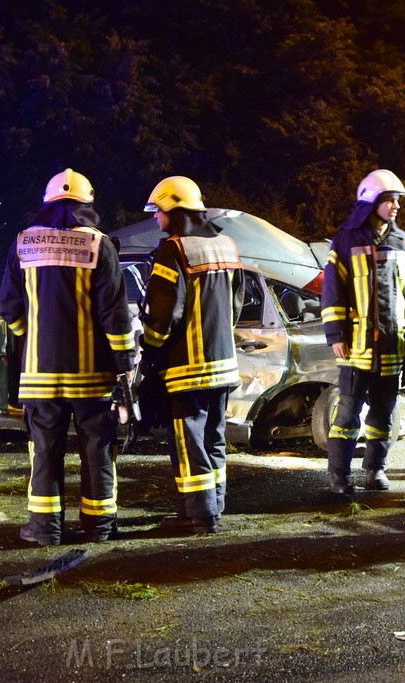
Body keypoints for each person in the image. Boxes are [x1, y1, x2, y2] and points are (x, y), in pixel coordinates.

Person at [0, 169, 135, 546]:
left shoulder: (23, 244)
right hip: (92, 377)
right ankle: (100, 527)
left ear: (48, 204)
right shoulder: (99, 245)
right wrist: (123, 366)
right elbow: (115, 315)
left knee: (44, 451)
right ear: (86, 205)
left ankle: (45, 529)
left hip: (39, 376)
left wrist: (32, 343)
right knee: (97, 450)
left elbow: (10, 310)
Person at [139, 176, 243, 534]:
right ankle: (216, 503)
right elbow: (238, 303)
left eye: (159, 211)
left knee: (189, 442)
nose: (156, 218)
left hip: (188, 369)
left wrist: (149, 351)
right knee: (213, 437)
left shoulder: (175, 249)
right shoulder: (228, 245)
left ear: (174, 208)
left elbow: (165, 315)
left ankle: (198, 515)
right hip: (225, 365)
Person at [322, 169, 405, 493]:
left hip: (393, 347)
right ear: (371, 202)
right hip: (355, 347)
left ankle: (376, 470)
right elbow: (332, 291)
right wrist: (335, 335)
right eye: (389, 199)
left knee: (384, 411)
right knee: (348, 414)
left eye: (398, 200)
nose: (396, 205)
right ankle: (339, 476)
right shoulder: (345, 241)